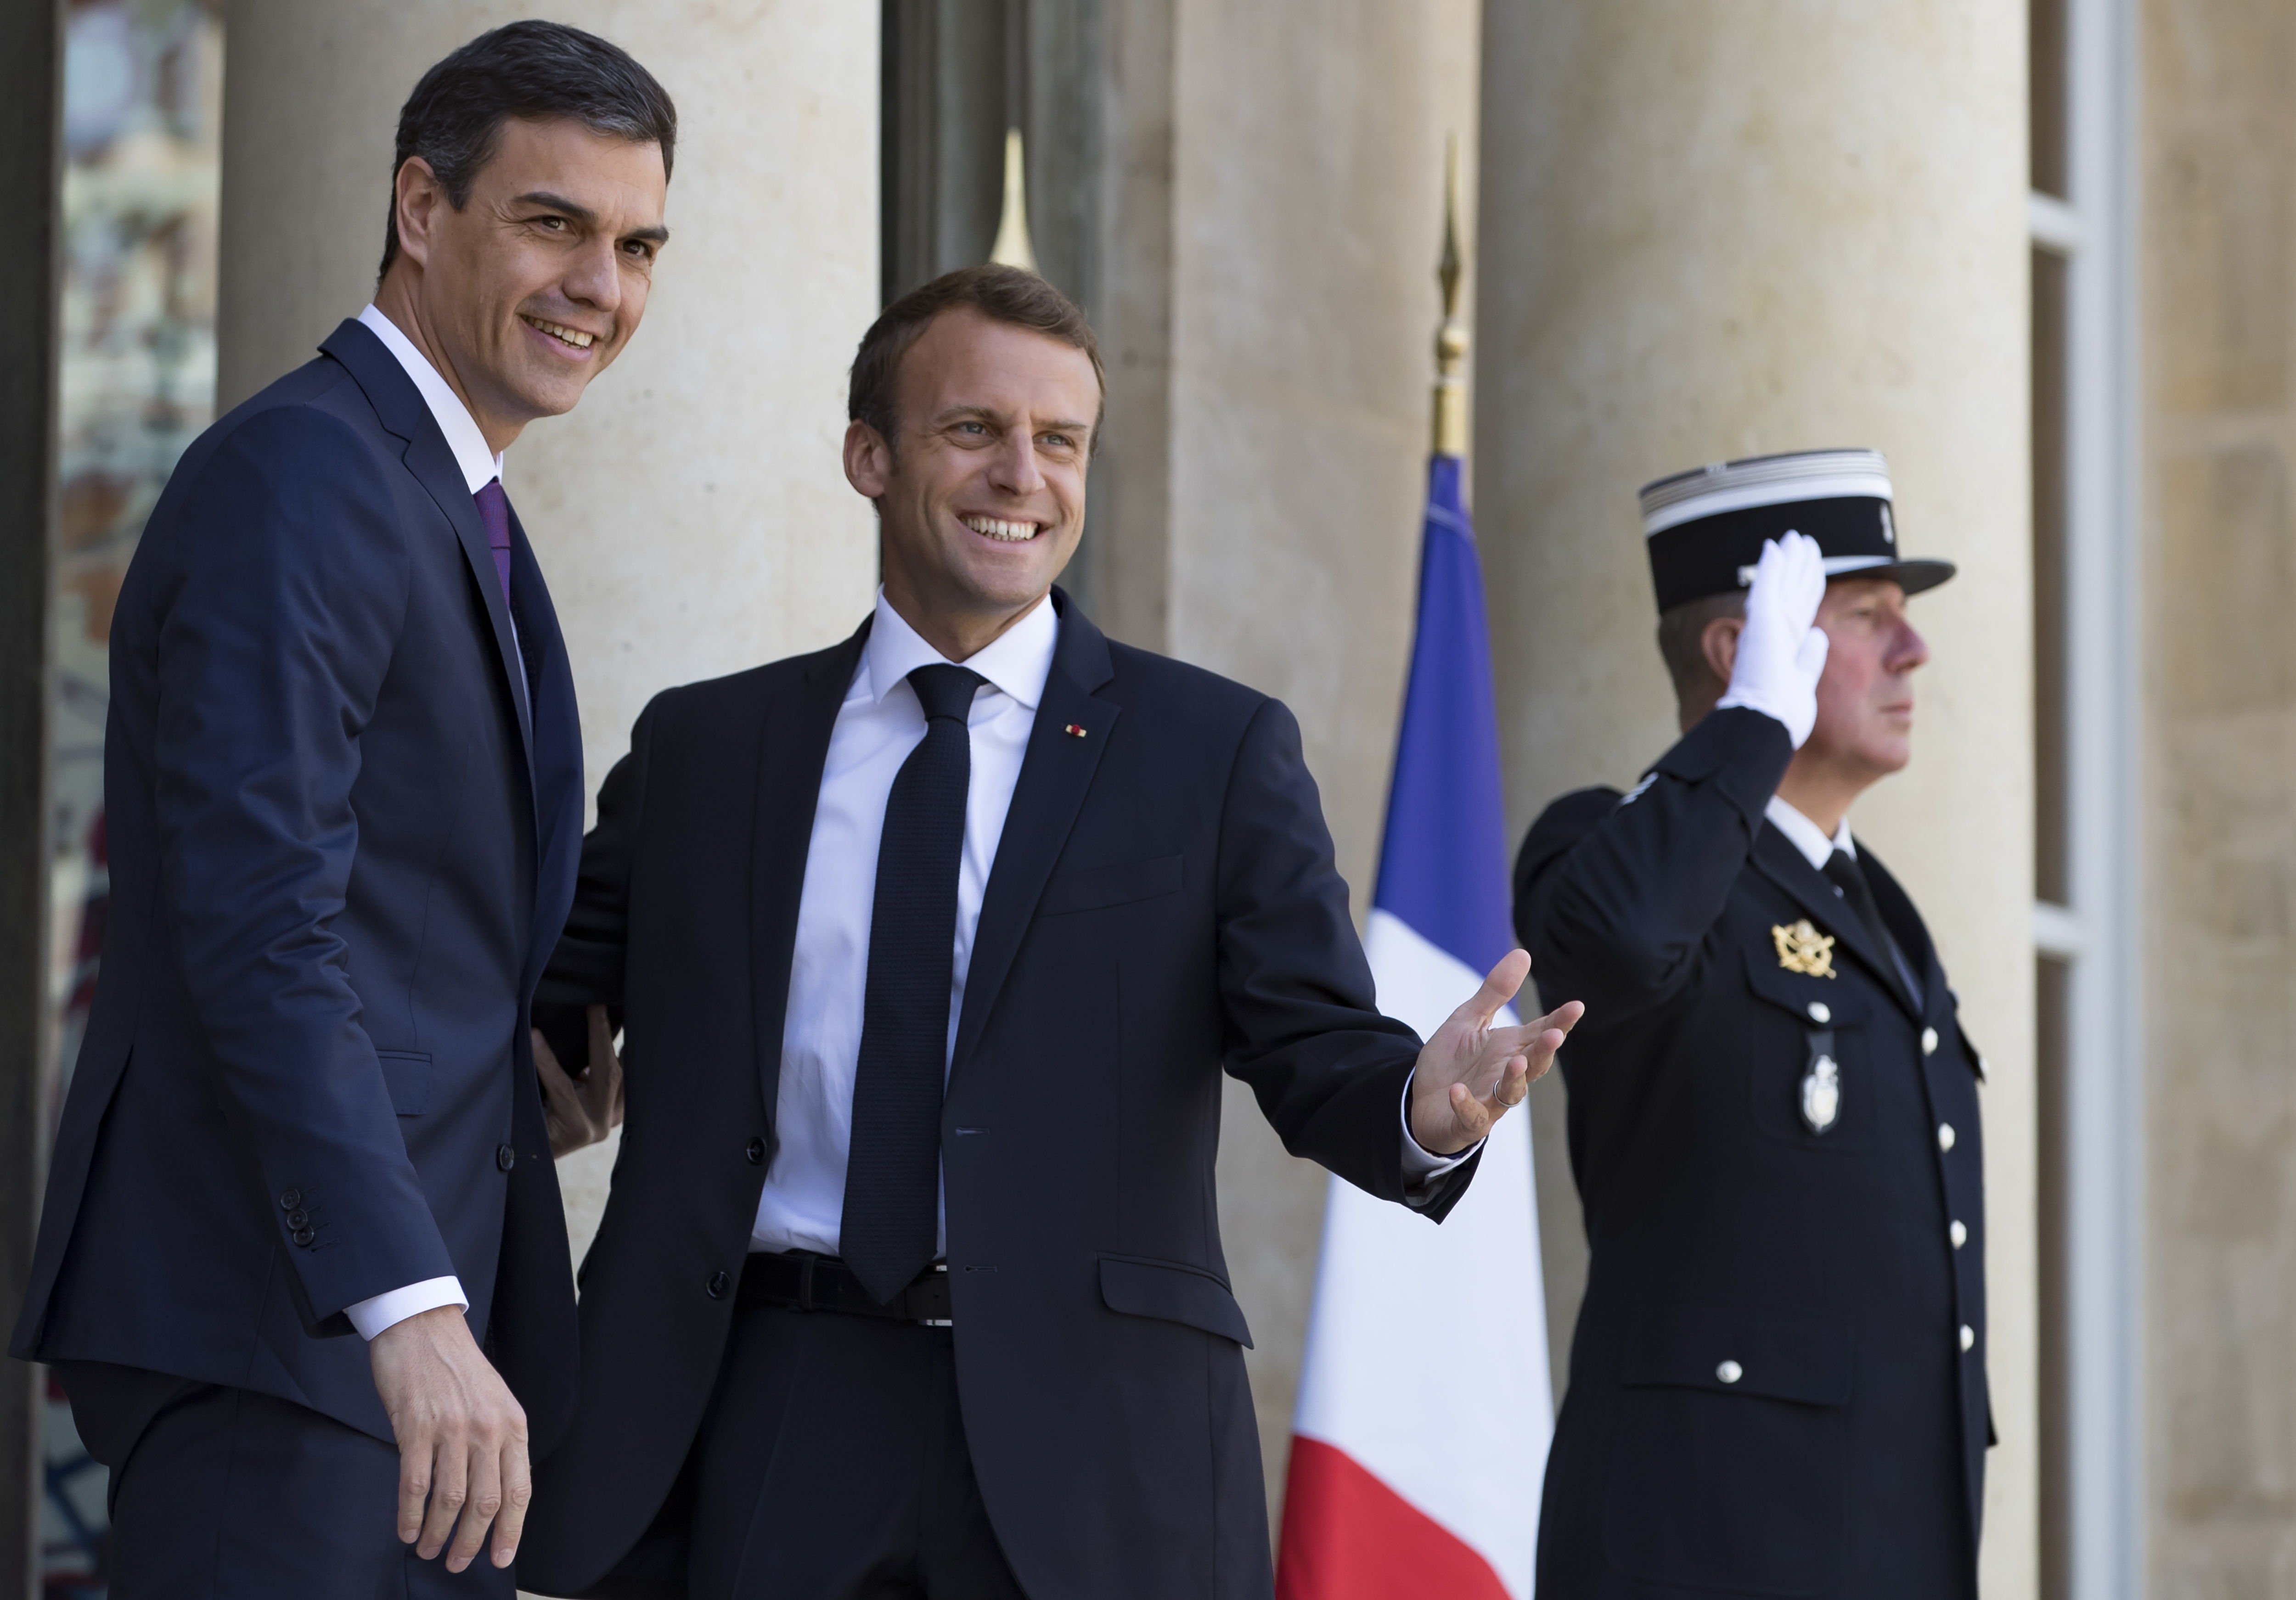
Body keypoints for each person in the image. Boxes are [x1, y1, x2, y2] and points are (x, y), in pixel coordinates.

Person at [514, 264, 1583, 1600]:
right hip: (765, 1404)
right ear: (869, 454)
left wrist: (1422, 1107)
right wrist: (513, 1106)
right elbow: (526, 1014)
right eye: (973, 429)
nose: (1023, 472)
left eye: (1059, 440)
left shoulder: (1210, 750)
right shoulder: (708, 748)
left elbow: (1314, 1040)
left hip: (1096, 1447)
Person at [8, 22, 672, 1594]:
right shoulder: (305, 474)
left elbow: (392, 922)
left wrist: (504, 1088)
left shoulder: (431, 498)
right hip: (293, 1334)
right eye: (554, 223)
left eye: (639, 244)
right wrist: (408, 1302)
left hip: (376, 1361)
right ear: (421, 210)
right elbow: (259, 918)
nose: (604, 285)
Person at [1514, 450, 1989, 1598]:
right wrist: (1748, 732)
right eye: (1865, 618)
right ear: (1742, 654)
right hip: (1702, 1546)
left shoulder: (1875, 908)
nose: (1911, 649)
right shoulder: (1606, 849)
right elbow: (1625, 942)